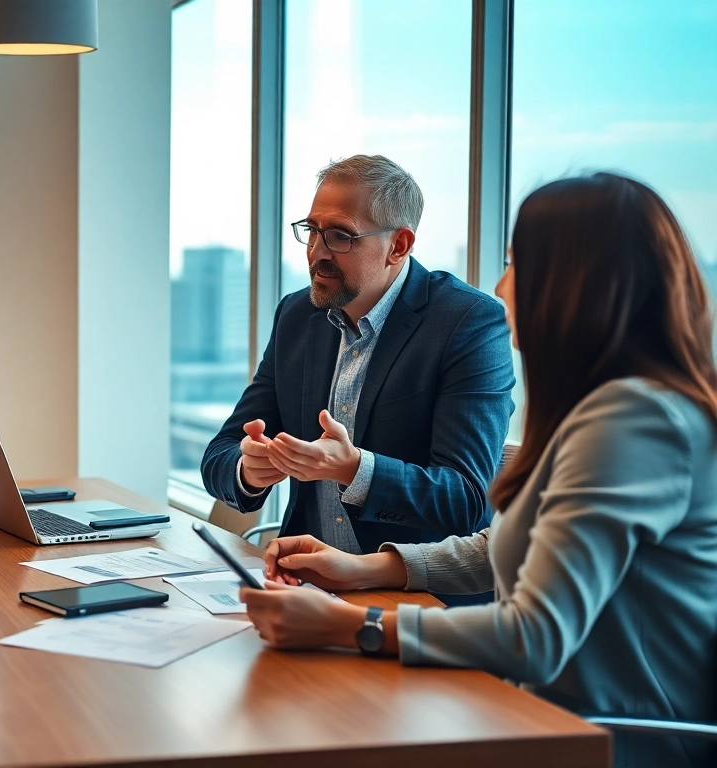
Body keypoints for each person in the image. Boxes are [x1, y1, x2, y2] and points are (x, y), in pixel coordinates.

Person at [242, 173, 717, 768]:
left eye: (518, 263)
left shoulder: (637, 422)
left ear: (574, 287)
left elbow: (535, 637)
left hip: (604, 744)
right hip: (537, 719)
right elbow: (509, 546)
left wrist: (349, 628)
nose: (501, 285)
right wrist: (365, 569)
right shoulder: (607, 407)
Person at [201, 155, 515, 571]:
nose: (316, 252)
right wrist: (249, 470)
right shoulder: (298, 315)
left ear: (398, 246)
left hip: (412, 599)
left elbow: (464, 500)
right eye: (312, 231)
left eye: (340, 237)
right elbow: (218, 456)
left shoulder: (468, 323)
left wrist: (355, 469)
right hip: (301, 581)